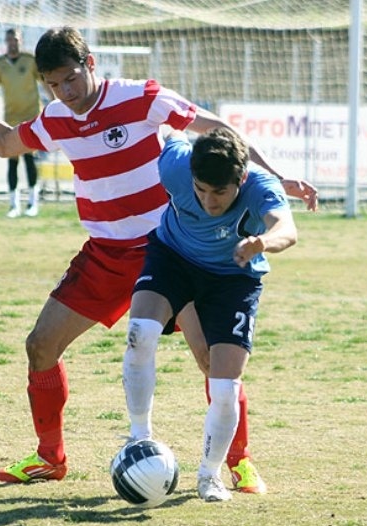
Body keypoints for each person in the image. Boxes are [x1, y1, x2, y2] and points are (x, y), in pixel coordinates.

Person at [0, 26, 317, 493]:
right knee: (40, 346)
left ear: (90, 64)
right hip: (105, 255)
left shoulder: (141, 97)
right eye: (54, 84)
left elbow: (217, 132)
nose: (65, 92)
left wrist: (274, 178)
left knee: (212, 362)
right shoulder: (55, 118)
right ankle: (50, 458)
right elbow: (6, 143)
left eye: (71, 78)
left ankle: (238, 461)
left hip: (171, 250)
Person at [123, 127, 297, 502]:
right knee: (140, 333)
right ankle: (138, 437)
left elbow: (288, 228)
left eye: (219, 192)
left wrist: (262, 242)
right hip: (173, 259)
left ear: (241, 179)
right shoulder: (175, 166)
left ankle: (209, 476)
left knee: (223, 386)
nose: (208, 200)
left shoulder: (259, 186)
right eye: (201, 189)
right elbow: (168, 129)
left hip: (233, 277)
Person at [0, 28, 50, 218]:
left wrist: (56, 102)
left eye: (15, 40)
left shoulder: (30, 61)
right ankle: (13, 205)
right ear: (6, 42)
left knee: (30, 158)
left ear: (20, 40)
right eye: (9, 40)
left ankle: (32, 203)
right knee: (12, 161)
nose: (12, 43)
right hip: (11, 118)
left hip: (30, 117)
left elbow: (46, 82)